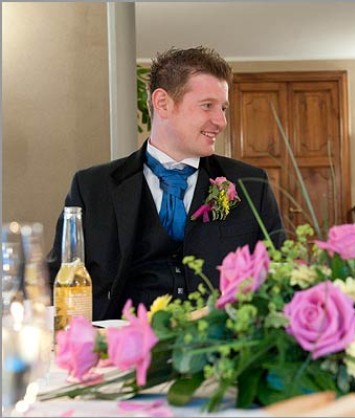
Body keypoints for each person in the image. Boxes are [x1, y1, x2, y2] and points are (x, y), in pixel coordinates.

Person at [47, 46, 286, 320]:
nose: (221, 121)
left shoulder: (250, 185)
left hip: (221, 341)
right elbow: (58, 280)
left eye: (223, 108)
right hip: (119, 342)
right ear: (162, 103)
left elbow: (279, 277)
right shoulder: (92, 187)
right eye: (207, 105)